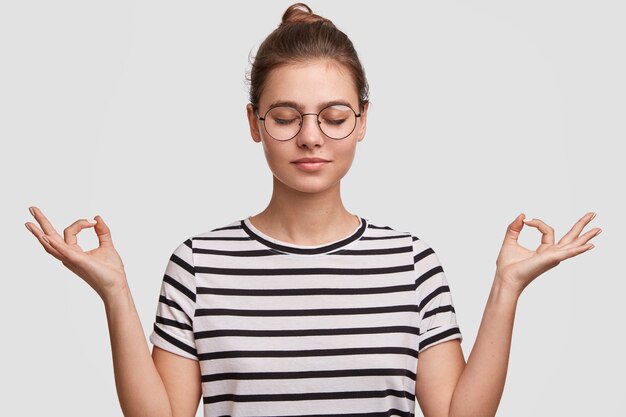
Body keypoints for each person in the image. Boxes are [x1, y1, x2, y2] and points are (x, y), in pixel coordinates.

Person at [24, 3, 601, 417]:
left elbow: (455, 415)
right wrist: (115, 293)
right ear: (254, 123)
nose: (310, 137)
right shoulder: (199, 262)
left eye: (333, 115)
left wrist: (506, 289)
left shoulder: (411, 261)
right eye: (284, 116)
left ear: (363, 120)